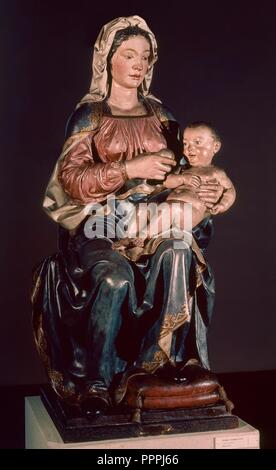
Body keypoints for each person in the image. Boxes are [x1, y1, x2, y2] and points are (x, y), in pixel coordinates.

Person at [31, 16, 224, 416]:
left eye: (146, 57)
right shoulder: (90, 117)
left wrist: (203, 188)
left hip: (155, 219)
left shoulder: (161, 115)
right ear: (107, 59)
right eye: (129, 54)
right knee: (114, 276)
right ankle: (97, 381)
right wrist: (130, 170)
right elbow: (72, 181)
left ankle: (157, 366)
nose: (139, 64)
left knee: (177, 252)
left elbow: (184, 170)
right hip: (101, 223)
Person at [113, 122, 235, 260]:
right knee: (142, 209)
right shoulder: (184, 170)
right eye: (186, 144)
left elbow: (230, 191)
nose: (190, 149)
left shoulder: (216, 173)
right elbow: (166, 181)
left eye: (197, 143)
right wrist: (182, 179)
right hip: (167, 209)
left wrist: (222, 205)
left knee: (169, 208)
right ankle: (129, 238)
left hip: (190, 212)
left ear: (216, 147)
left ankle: (142, 236)